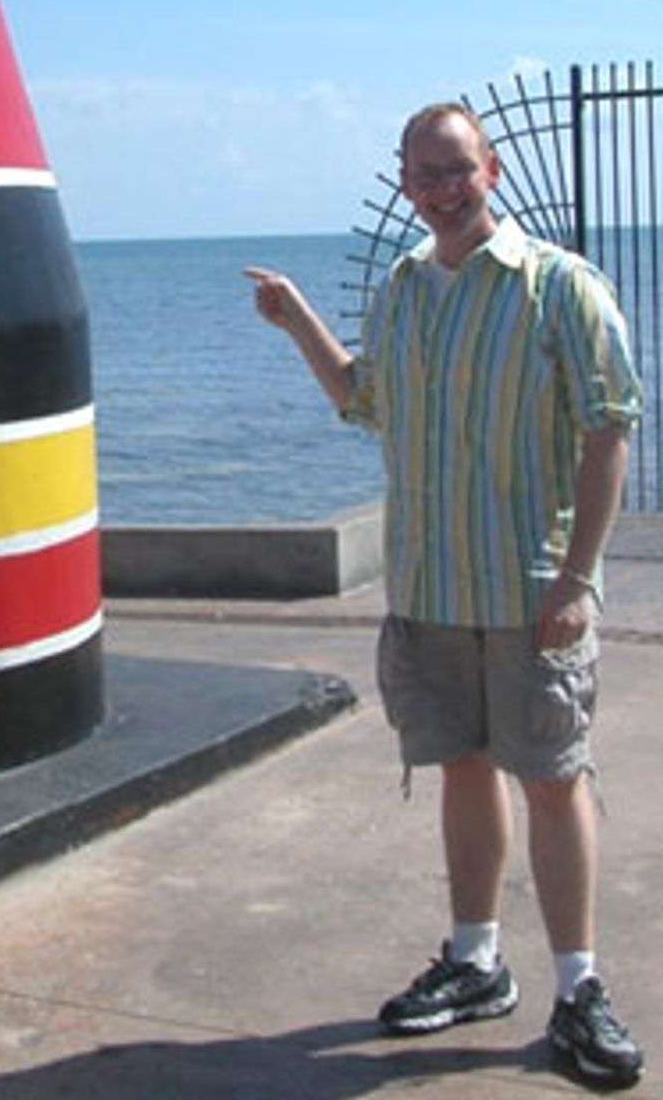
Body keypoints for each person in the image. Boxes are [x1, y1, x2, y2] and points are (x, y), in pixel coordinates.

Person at [245, 102, 645, 1089]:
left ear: (492, 169)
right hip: (428, 585)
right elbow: (363, 401)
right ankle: (476, 961)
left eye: (456, 168)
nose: (441, 186)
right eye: (424, 173)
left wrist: (579, 576)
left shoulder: (560, 287)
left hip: (528, 588)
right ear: (407, 182)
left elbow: (610, 429)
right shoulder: (405, 291)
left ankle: (579, 989)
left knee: (553, 778)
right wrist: (298, 319)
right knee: (463, 769)